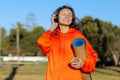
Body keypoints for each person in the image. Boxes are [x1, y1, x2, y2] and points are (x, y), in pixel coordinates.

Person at [37, 5, 98, 80]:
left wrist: (83, 64)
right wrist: (53, 26)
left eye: (70, 15)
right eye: (63, 14)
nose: (67, 16)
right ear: (56, 17)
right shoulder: (52, 37)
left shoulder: (77, 35)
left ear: (72, 19)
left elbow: (92, 57)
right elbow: (41, 42)